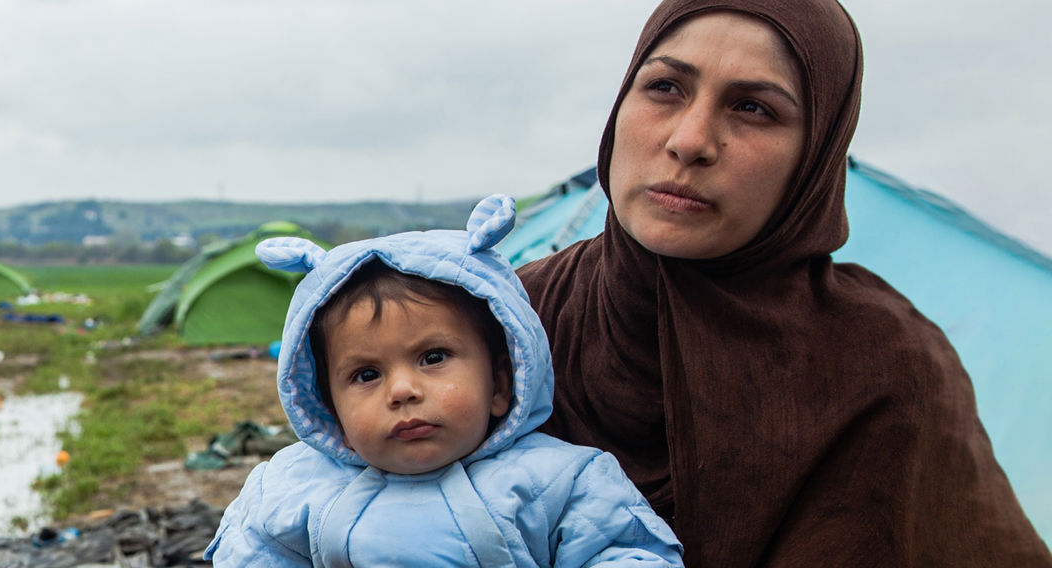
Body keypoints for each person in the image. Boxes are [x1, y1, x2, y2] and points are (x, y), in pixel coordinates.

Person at [514, 1, 1052, 566]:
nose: (690, 141)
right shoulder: (512, 320)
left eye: (753, 108)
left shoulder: (885, 366)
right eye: (665, 87)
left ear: (815, 156)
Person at [207, 195, 683, 566]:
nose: (402, 391)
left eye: (433, 358)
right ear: (328, 405)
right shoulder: (292, 488)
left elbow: (627, 552)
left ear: (501, 384)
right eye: (366, 374)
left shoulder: (558, 481)